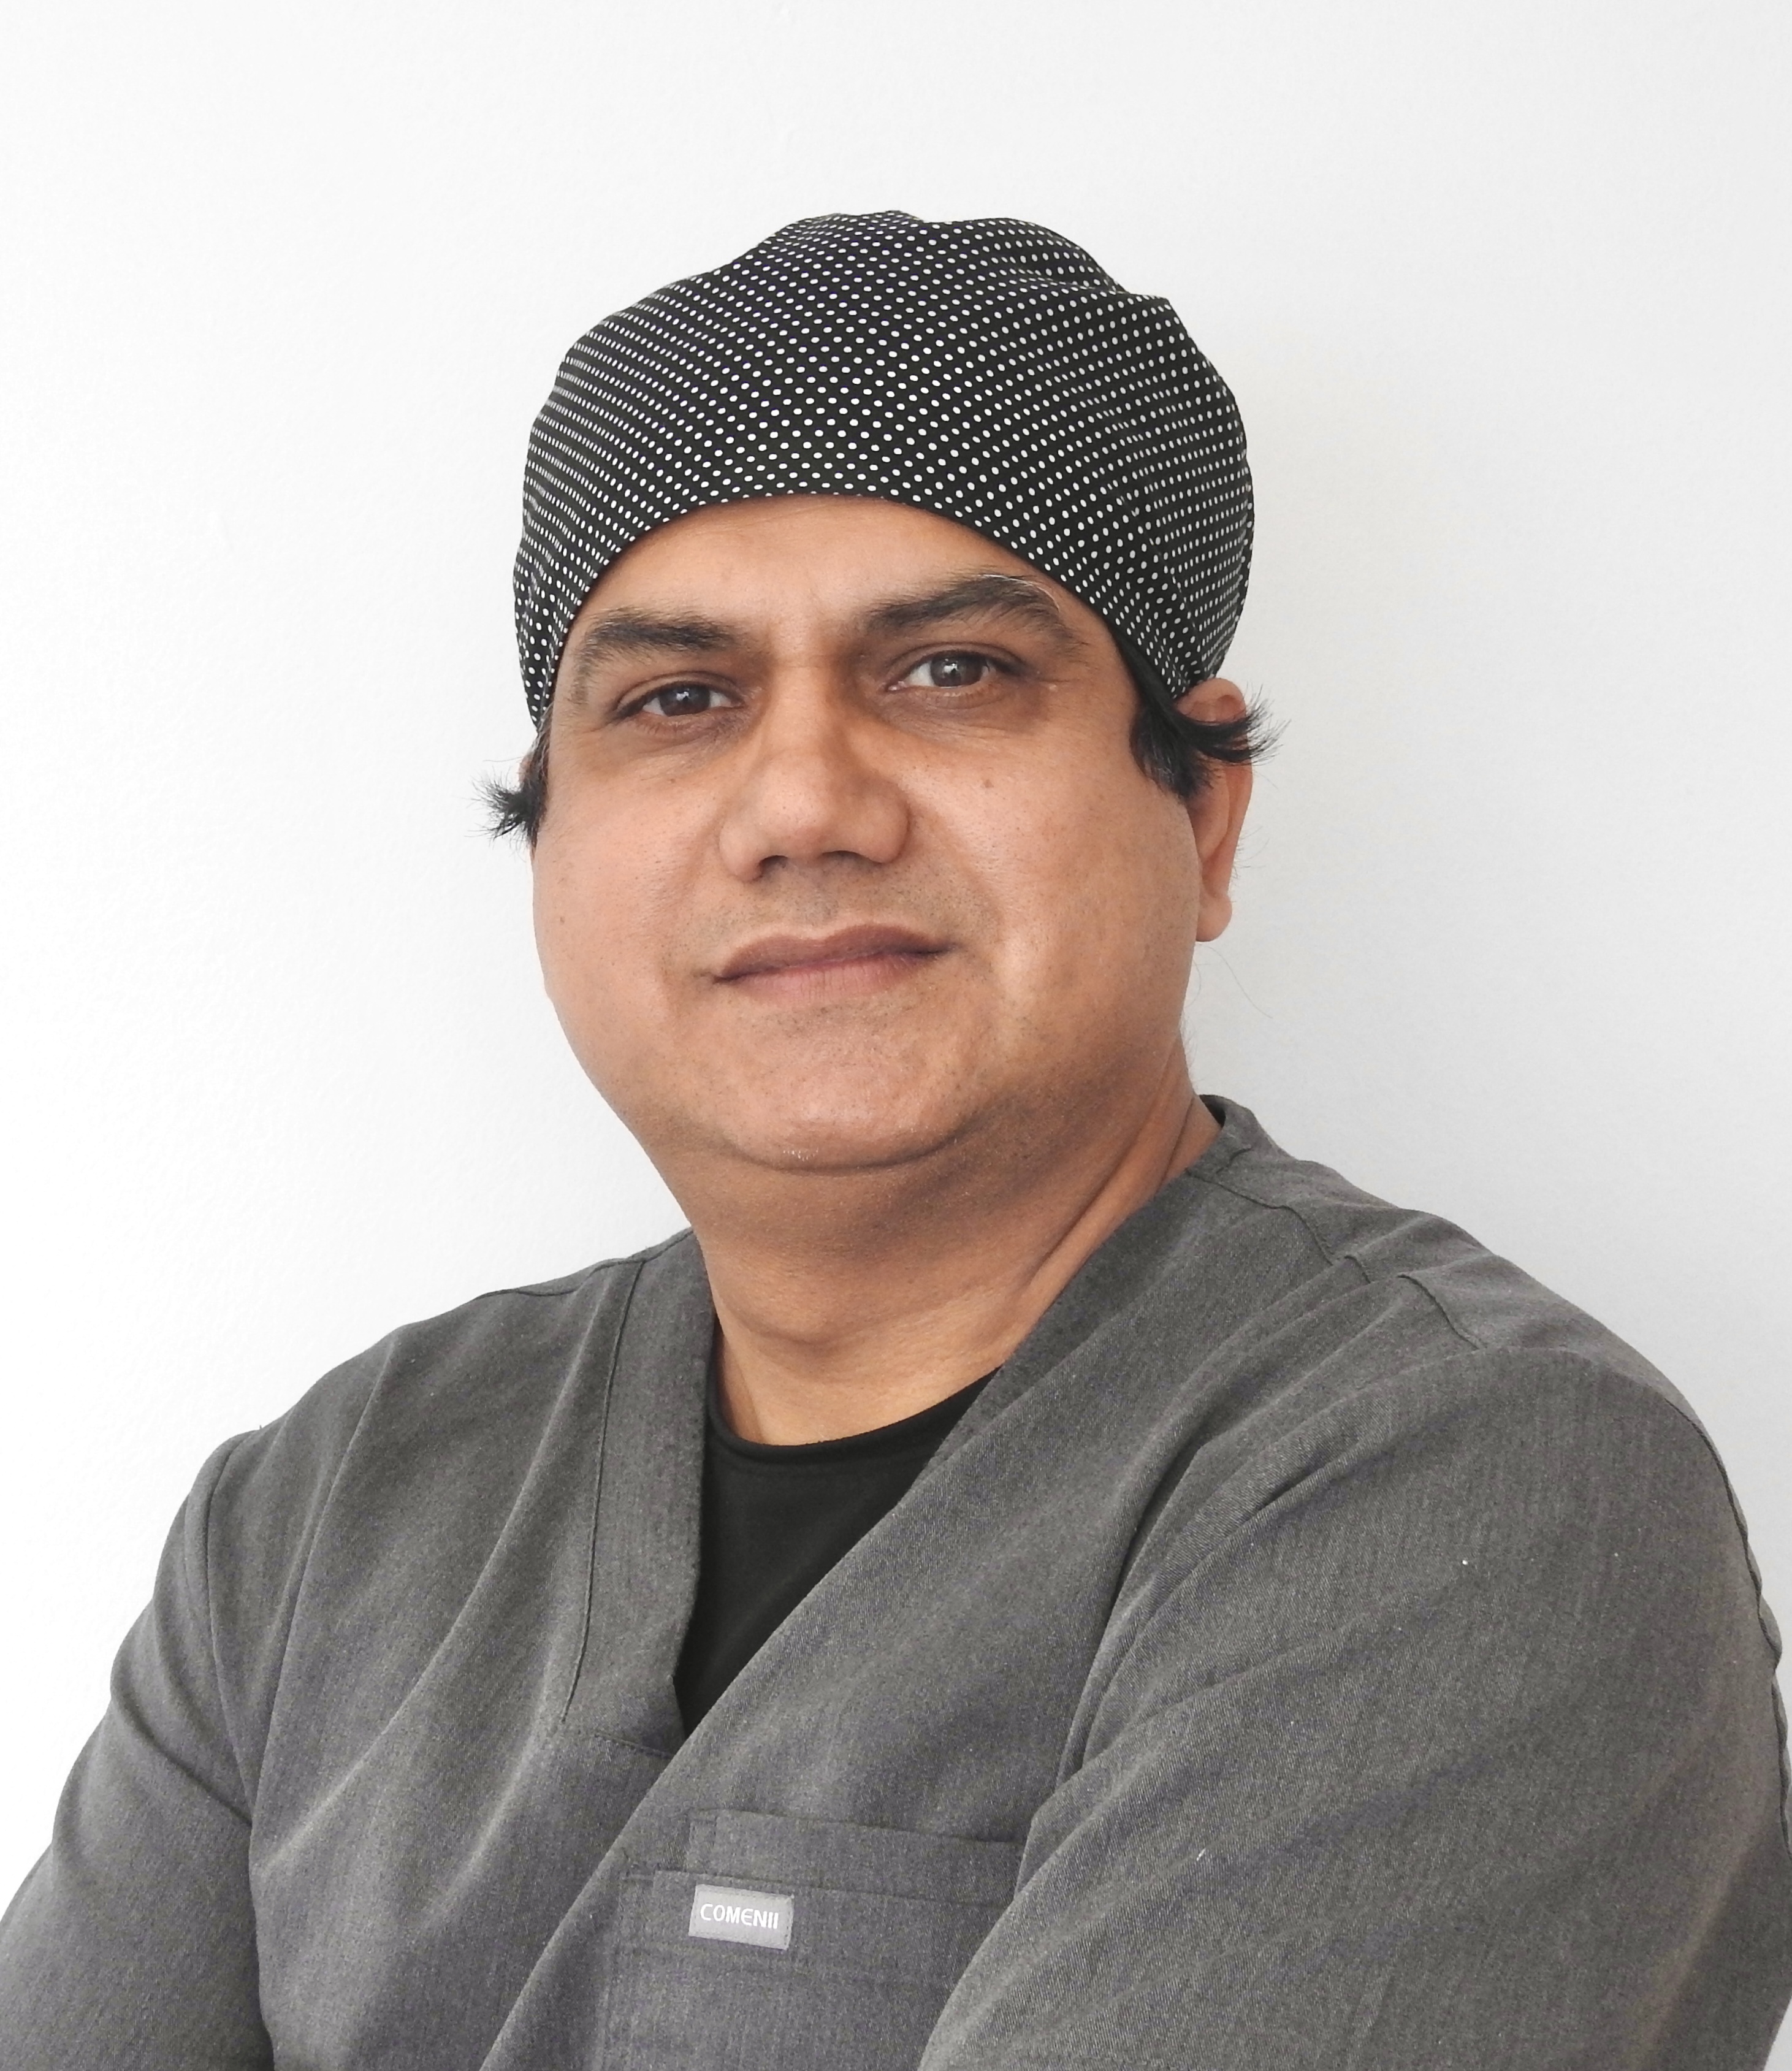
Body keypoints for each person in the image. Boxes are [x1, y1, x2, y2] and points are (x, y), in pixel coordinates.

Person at [1, 210, 1786, 2071]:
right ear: (547, 836)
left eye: (949, 672)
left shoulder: (1473, 1490)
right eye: (678, 700)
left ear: (1204, 816)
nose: (801, 803)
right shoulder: (334, 1504)